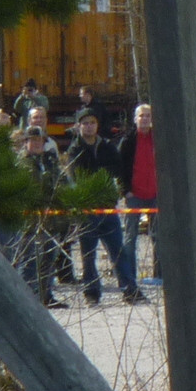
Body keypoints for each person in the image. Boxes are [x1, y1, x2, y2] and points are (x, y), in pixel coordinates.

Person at [63, 107, 142, 305]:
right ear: (79, 126)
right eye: (85, 123)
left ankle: (129, 289)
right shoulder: (74, 150)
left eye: (92, 123)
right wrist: (99, 180)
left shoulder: (108, 147)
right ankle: (92, 292)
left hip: (108, 208)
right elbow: (78, 177)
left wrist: (108, 185)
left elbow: (117, 172)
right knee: (88, 255)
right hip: (88, 210)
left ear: (97, 125)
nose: (89, 126)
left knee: (118, 251)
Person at [15, 121, 66, 308]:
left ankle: (45, 296)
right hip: (29, 220)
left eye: (40, 140)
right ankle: (25, 300)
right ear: (26, 142)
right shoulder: (21, 163)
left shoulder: (49, 162)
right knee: (28, 261)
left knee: (48, 260)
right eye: (33, 140)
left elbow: (61, 184)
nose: (37, 143)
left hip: (50, 219)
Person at [117, 102, 161, 280]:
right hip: (134, 195)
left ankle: (159, 275)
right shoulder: (128, 141)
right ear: (135, 119)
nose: (144, 119)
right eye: (141, 116)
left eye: (148, 116)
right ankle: (130, 277)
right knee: (130, 237)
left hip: (156, 195)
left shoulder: (158, 139)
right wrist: (125, 191)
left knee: (159, 237)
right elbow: (119, 168)